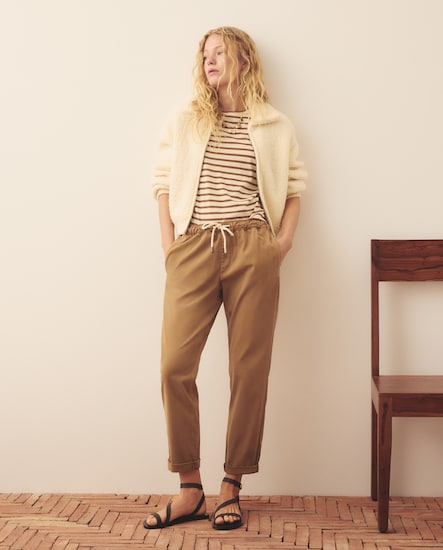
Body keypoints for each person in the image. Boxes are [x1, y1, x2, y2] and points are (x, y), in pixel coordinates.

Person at [144, 26, 307, 531]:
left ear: (243, 60)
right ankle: (190, 489)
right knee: (174, 366)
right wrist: (170, 247)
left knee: (249, 370)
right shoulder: (187, 119)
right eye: (205, 54)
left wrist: (281, 245)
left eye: (220, 52)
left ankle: (231, 485)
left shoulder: (275, 125)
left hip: (253, 247)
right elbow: (162, 183)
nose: (210, 60)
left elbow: (295, 187)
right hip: (194, 246)